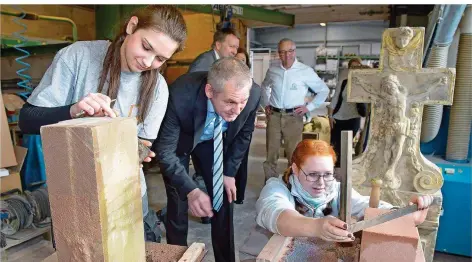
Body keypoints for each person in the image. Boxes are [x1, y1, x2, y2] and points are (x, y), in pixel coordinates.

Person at [18, 5, 188, 243]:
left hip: (128, 196)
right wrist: (74, 110)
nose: (148, 61)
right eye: (146, 47)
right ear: (131, 26)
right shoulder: (78, 57)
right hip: (74, 195)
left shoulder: (158, 89)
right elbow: (26, 120)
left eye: (160, 58)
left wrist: (138, 150)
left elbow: (142, 145)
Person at [155, 57, 261, 262]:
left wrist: (229, 172)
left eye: (242, 102)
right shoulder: (179, 95)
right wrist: (192, 191)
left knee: (224, 194)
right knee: (179, 201)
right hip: (182, 141)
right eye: (230, 102)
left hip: (211, 141)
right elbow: (165, 151)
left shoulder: (252, 93)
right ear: (210, 91)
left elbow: (244, 135)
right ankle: (178, 256)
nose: (237, 110)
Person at [256, 139, 434, 241]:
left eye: (327, 174)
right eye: (312, 174)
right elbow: (275, 214)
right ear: (295, 169)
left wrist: (403, 215)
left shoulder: (336, 190)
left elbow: (367, 206)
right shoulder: (277, 188)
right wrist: (317, 227)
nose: (321, 183)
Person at [261, 38, 329, 181]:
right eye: (282, 52)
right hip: (274, 116)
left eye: (290, 51)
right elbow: (265, 86)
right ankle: (269, 186)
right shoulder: (273, 70)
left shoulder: (305, 71)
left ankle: (291, 186)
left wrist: (309, 107)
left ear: (295, 51)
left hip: (293, 118)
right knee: (271, 155)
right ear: (278, 53)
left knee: (293, 155)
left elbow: (323, 90)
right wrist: (266, 103)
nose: (286, 55)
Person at [328, 58, 368, 167]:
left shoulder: (364, 84)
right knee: (335, 146)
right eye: (352, 67)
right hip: (338, 118)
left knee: (346, 146)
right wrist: (330, 116)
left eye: (357, 67)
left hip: (353, 119)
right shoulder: (343, 83)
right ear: (349, 69)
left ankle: (344, 170)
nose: (355, 69)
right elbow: (335, 99)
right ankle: (333, 169)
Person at [234, 47, 258, 204]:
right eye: (236, 59)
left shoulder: (252, 85)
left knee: (241, 161)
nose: (239, 63)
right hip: (227, 127)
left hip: (243, 128)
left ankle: (239, 195)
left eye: (242, 60)